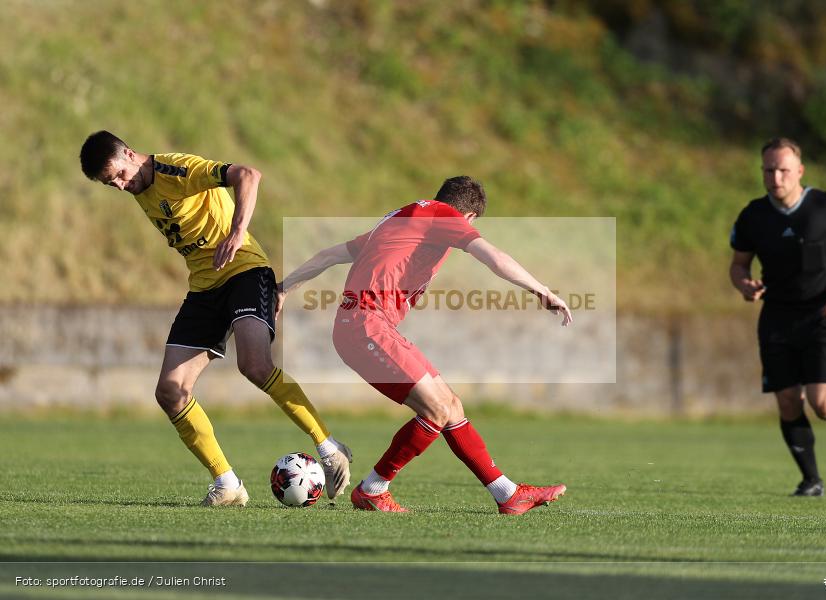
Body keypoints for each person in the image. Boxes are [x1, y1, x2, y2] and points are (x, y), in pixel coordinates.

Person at [78, 131, 352, 506]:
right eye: (112, 184)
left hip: (244, 271)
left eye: (120, 175)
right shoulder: (140, 189)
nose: (121, 186)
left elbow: (249, 175)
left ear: (129, 153)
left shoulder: (178, 170)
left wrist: (238, 232)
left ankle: (328, 446)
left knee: (254, 365)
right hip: (205, 288)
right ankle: (228, 484)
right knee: (170, 392)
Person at [277, 176, 571, 514]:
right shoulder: (444, 217)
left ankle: (508, 494)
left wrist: (285, 287)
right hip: (366, 326)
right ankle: (373, 489)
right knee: (437, 409)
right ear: (470, 217)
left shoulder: (400, 218)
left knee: (451, 407)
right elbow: (494, 257)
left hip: (365, 325)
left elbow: (329, 255)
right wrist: (542, 290)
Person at [729, 137, 826, 497]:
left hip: (823, 317)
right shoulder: (753, 216)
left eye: (783, 170)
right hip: (776, 318)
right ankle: (812, 480)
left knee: (823, 403)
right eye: (769, 170)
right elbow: (738, 264)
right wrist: (744, 284)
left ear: (799, 171)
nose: (776, 178)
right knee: (789, 401)